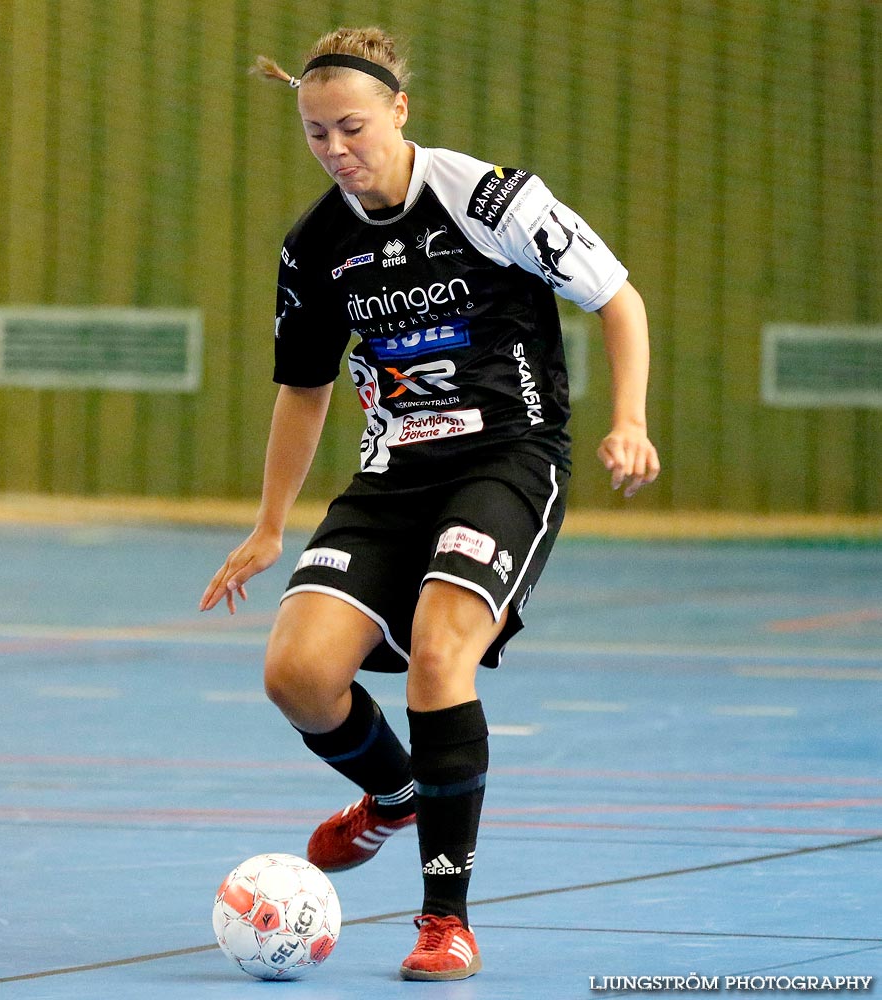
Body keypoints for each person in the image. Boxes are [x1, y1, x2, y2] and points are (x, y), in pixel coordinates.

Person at [200, 25, 660, 981]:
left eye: (353, 128)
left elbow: (617, 298)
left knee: (441, 650)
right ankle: (398, 792)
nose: (336, 150)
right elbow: (303, 387)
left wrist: (629, 420)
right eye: (317, 134)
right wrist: (267, 524)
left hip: (505, 459)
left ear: (400, 112)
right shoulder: (316, 245)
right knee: (296, 675)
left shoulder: (491, 200)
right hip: (390, 476)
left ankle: (442, 916)